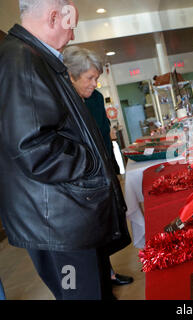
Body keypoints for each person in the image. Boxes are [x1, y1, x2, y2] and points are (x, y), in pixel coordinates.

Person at [0, 0, 131, 300]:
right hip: (59, 225)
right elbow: (32, 147)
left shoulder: (34, 58)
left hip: (65, 218)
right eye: (70, 24)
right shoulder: (22, 60)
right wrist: (94, 163)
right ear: (53, 16)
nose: (72, 35)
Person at [63, 46, 133, 287]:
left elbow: (103, 132)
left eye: (97, 78)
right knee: (90, 231)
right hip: (81, 177)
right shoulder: (63, 102)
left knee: (107, 224)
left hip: (104, 168)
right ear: (72, 75)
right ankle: (100, 279)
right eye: (90, 78)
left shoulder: (95, 98)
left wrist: (112, 167)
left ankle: (108, 272)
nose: (94, 83)